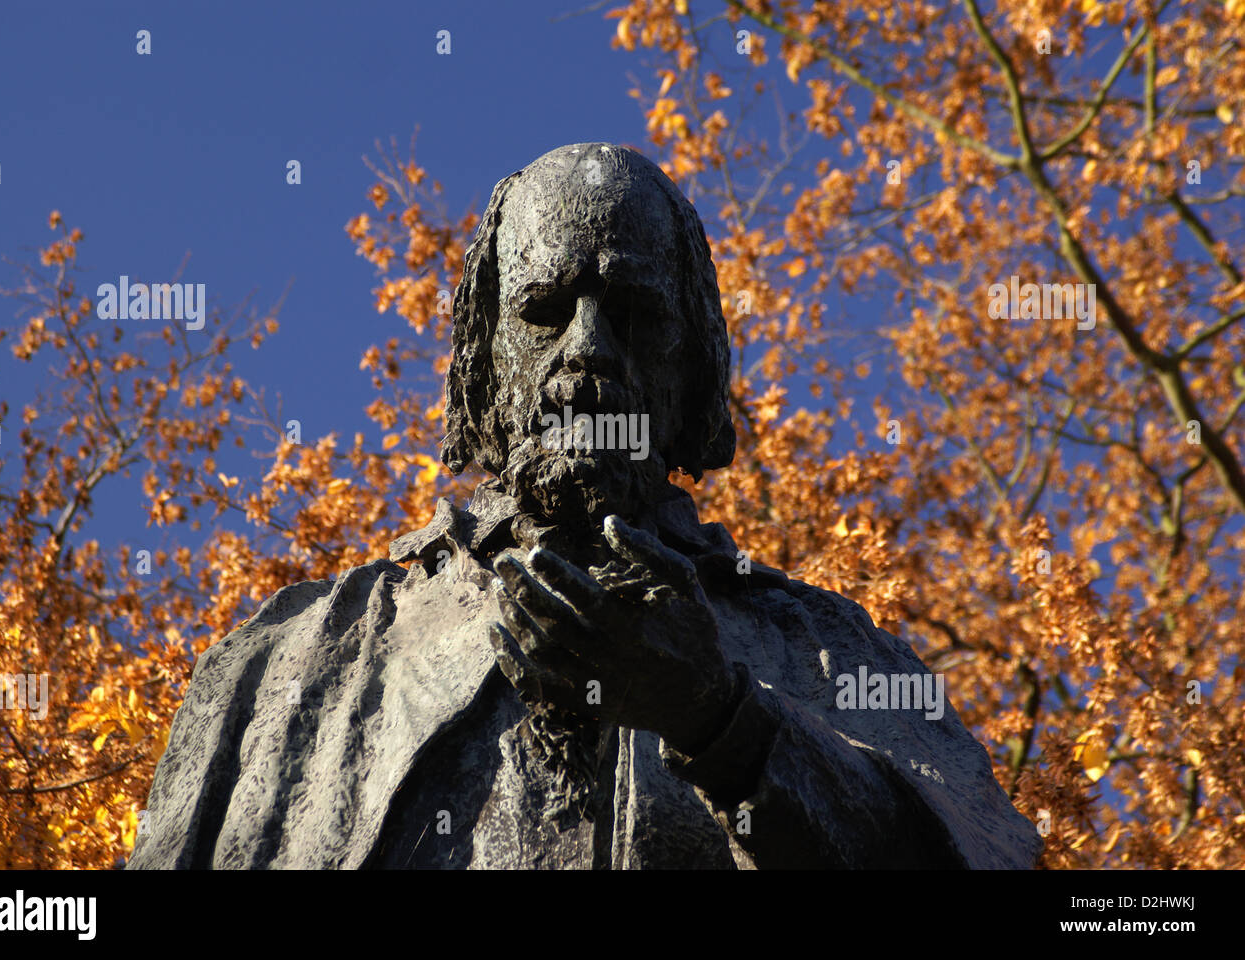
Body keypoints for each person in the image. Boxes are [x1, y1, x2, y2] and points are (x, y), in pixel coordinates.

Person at [128, 143, 1040, 869]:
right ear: (484, 369)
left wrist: (721, 724)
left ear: (692, 374)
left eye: (635, 312)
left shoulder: (834, 660)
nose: (589, 351)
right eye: (543, 311)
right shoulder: (283, 678)